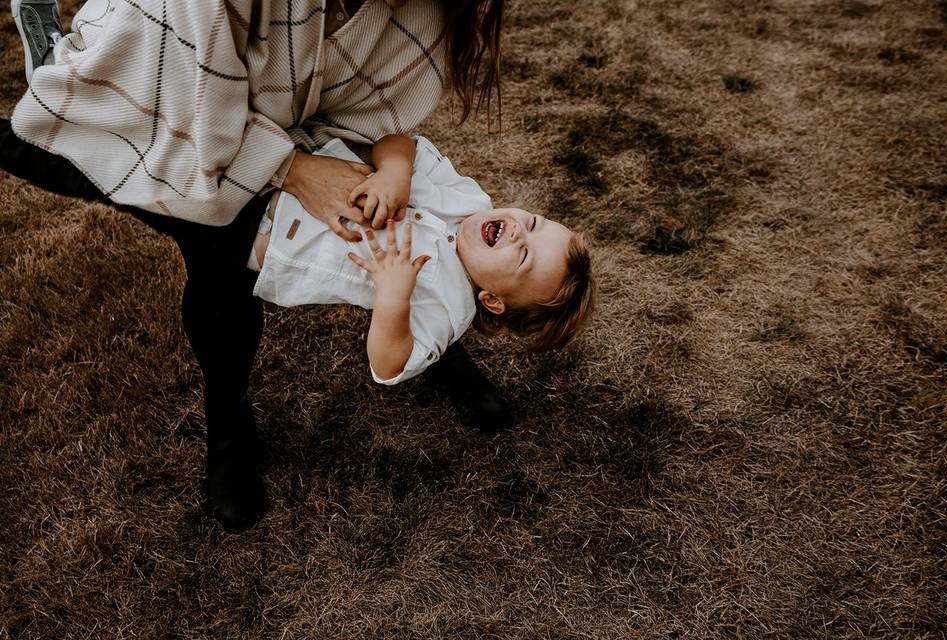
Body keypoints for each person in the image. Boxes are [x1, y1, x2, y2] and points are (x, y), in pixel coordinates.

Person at [2, 0, 510, 530]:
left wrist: (386, 171)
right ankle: (228, 423)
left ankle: (437, 333)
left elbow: (385, 118)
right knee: (211, 238)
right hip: (168, 81)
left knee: (399, 216)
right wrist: (292, 167)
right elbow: (182, 100)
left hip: (297, 106)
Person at [248, 134, 595, 385]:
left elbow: (388, 367)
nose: (521, 231)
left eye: (522, 256)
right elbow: (402, 142)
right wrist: (396, 170)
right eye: (534, 222)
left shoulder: (448, 310)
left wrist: (393, 296)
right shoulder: (469, 199)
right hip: (301, 160)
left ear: (491, 299)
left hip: (268, 239)